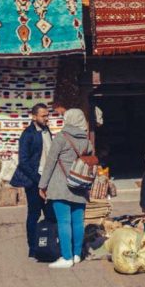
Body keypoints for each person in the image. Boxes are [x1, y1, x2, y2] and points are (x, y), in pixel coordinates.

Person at [39, 108, 91, 269]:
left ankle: (66, 257)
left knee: (64, 222)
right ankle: (76, 255)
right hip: (80, 185)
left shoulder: (61, 137)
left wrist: (42, 185)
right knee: (77, 222)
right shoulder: (86, 141)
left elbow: (50, 162)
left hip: (60, 185)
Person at [10, 103, 52, 258]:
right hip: (34, 181)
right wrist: (38, 180)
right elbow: (23, 161)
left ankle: (49, 244)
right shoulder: (27, 134)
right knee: (34, 214)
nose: (46, 118)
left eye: (47, 115)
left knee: (50, 213)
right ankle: (33, 248)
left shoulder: (47, 131)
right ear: (34, 117)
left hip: (48, 179)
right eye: (43, 115)